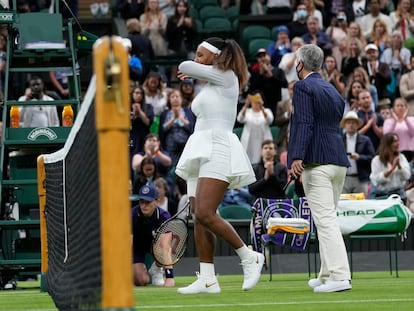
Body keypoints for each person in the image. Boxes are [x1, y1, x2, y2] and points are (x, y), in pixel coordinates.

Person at [175, 37, 264, 294]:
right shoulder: (211, 84)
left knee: (205, 212)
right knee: (198, 218)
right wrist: (197, 69)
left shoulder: (227, 77)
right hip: (200, 149)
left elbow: (185, 65)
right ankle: (207, 278)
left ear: (216, 56)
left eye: (201, 54)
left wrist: (193, 68)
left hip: (219, 147)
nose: (196, 59)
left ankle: (249, 257)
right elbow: (191, 68)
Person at [288, 44, 352, 293]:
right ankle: (326, 273)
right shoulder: (332, 89)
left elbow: (303, 123)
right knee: (327, 219)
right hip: (338, 160)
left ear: (301, 64)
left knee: (325, 221)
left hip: (317, 162)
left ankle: (339, 276)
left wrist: (296, 156)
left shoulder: (303, 86)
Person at [132, 184, 175, 287]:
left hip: (155, 247)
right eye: (141, 202)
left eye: (148, 202)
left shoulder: (164, 217)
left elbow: (166, 246)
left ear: (157, 202)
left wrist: (170, 277)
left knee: (166, 245)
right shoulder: (132, 215)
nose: (144, 205)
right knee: (141, 281)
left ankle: (156, 269)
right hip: (137, 248)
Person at [341, 111, 376, 196]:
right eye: (348, 123)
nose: (351, 125)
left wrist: (359, 157)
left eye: (353, 123)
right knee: (343, 204)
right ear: (345, 125)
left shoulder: (365, 140)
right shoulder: (339, 140)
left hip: (360, 179)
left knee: (361, 204)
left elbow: (372, 158)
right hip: (344, 178)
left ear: (357, 125)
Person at [369, 133, 411, 201]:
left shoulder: (401, 157)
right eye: (394, 141)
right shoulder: (377, 160)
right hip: (381, 195)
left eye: (398, 141)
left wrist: (399, 166)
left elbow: (407, 176)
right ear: (387, 144)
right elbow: (377, 179)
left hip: (398, 194)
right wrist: (391, 169)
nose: (398, 143)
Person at [237, 91, 274, 164]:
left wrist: (262, 107)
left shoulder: (266, 110)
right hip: (250, 142)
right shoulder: (247, 111)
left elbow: (270, 120)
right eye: (254, 99)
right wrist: (246, 105)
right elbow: (239, 119)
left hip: (263, 140)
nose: (256, 101)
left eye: (258, 98)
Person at [383, 97, 414, 162]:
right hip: (394, 151)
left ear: (406, 108)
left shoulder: (411, 119)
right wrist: (395, 121)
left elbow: (412, 133)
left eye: (402, 106)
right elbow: (387, 135)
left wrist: (406, 119)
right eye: (397, 106)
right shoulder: (388, 121)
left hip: (411, 151)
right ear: (393, 108)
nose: (400, 108)